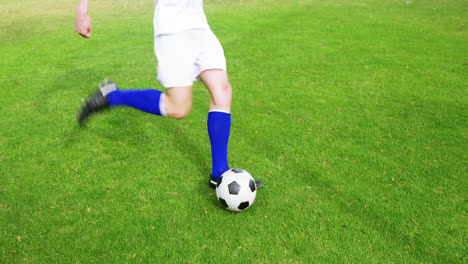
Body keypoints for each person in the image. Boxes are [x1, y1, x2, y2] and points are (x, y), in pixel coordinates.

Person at [75, 0, 262, 189]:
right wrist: (82, 10)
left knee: (222, 91)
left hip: (199, 25)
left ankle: (219, 174)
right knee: (179, 107)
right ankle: (113, 95)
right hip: (173, 27)